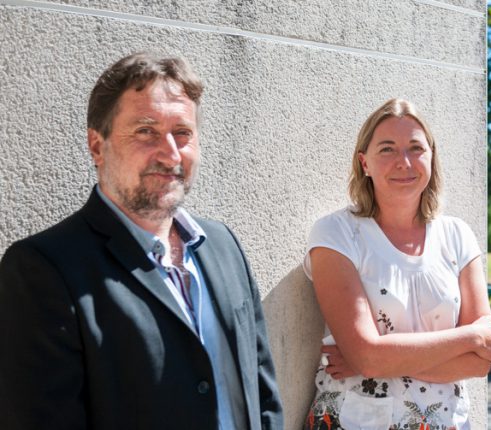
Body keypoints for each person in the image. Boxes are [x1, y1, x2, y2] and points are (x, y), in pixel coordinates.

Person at [0, 52, 283, 430]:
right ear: (97, 147)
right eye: (146, 131)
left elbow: (263, 394)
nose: (169, 154)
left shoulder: (223, 244)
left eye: (182, 133)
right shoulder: (42, 269)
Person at [302, 98, 491, 429]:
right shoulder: (336, 233)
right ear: (364, 162)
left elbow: (481, 362)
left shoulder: (457, 235)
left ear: (432, 157)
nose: (404, 161)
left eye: (415, 148)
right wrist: (469, 336)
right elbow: (366, 356)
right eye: (387, 149)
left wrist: (382, 361)